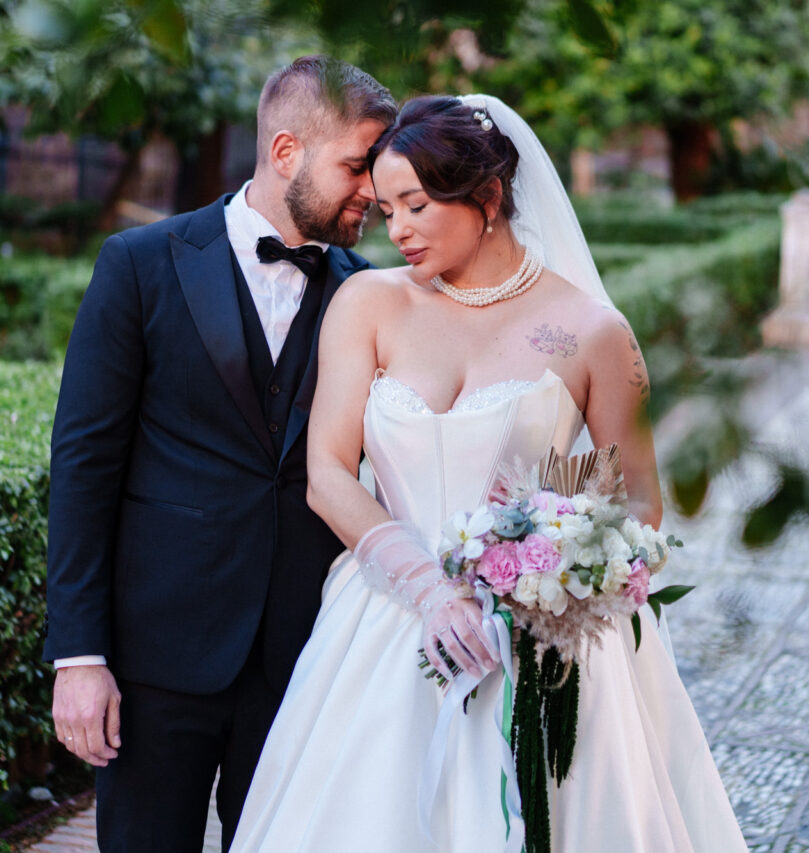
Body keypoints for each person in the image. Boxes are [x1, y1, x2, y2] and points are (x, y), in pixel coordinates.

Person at [229, 95, 748, 853]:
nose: (396, 229)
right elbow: (328, 474)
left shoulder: (592, 332)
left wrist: (552, 577)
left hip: (540, 636)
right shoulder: (367, 303)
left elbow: (640, 504)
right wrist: (430, 589)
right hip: (385, 617)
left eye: (416, 204)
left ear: (489, 198)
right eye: (385, 208)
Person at [41, 56, 396, 851]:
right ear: (284, 152)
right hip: (156, 658)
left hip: (300, 657)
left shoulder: (367, 291)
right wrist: (79, 655)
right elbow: (84, 467)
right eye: (357, 165)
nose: (374, 188)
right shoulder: (138, 264)